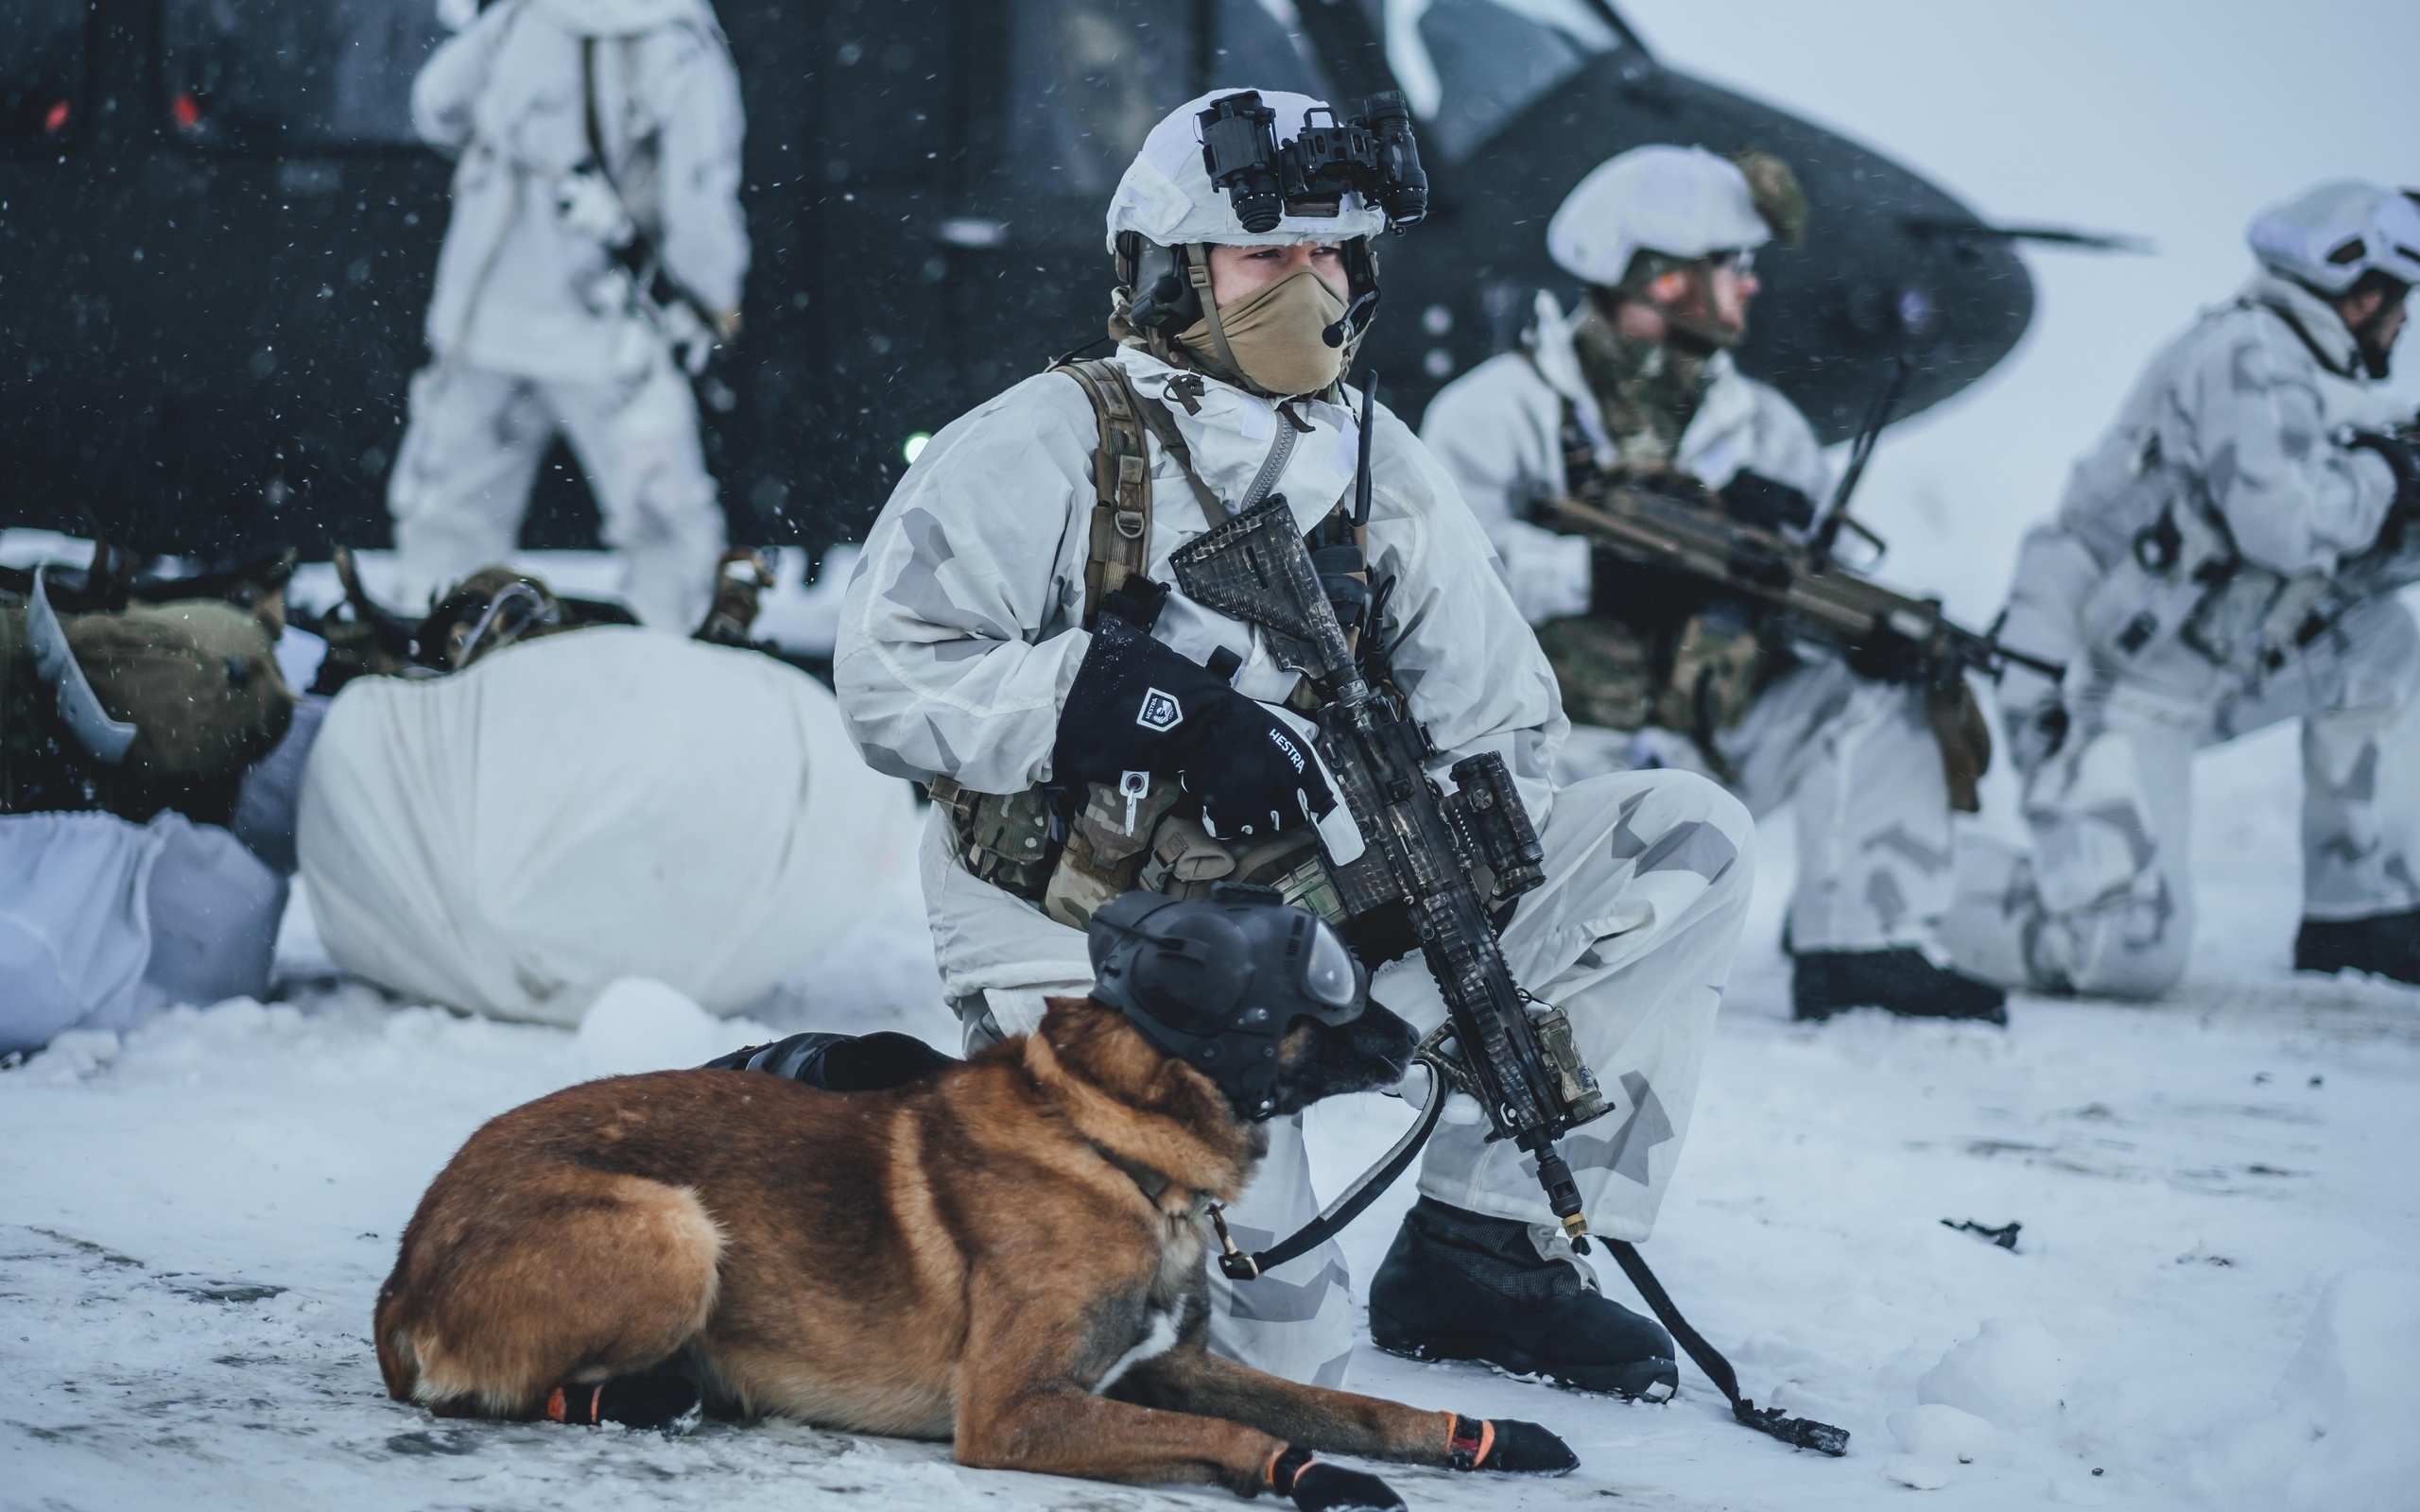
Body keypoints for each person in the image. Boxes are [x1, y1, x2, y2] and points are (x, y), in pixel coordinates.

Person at [836, 91, 1754, 1401]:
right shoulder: (1049, 439)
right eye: (1270, 255)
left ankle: (1488, 1257)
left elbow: (1505, 714)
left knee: (1686, 835)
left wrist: (1440, 863)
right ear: (1169, 270)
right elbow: (887, 674)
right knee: (1268, 1365)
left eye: (1335, 254)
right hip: (1099, 939)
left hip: (1326, 912)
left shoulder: (1382, 463)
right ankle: (929, 1134)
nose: (1310, 283)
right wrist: (1142, 704)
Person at [1421, 145, 2006, 1024]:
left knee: (1885, 692)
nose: (1751, 286)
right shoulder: (1496, 412)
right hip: (1555, 761)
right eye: (1730, 265)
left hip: (1710, 737)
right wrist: (1595, 573)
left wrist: (1853, 629)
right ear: (1661, 280)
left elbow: (1805, 592)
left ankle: (1859, 949)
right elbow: (1437, 582)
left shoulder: (1767, 431)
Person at [1942, 180, 2420, 997]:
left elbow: (2334, 557)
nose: (2403, 323)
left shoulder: (2309, 376)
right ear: (2361, 290)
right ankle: (1909, 888)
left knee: (2382, 646)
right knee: (2126, 957)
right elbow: (2286, 526)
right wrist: (2387, 473)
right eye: (2397, 303)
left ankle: (2360, 909)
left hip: (2208, 668)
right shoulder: (2251, 352)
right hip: (2099, 688)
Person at [385, 0, 747, 634]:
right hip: (610, 338)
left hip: (485, 323)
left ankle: (446, 680)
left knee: (449, 533)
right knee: (667, 536)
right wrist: (716, 295)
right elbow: (697, 203)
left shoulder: (521, 17)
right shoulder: (679, 43)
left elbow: (436, 106)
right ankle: (665, 683)